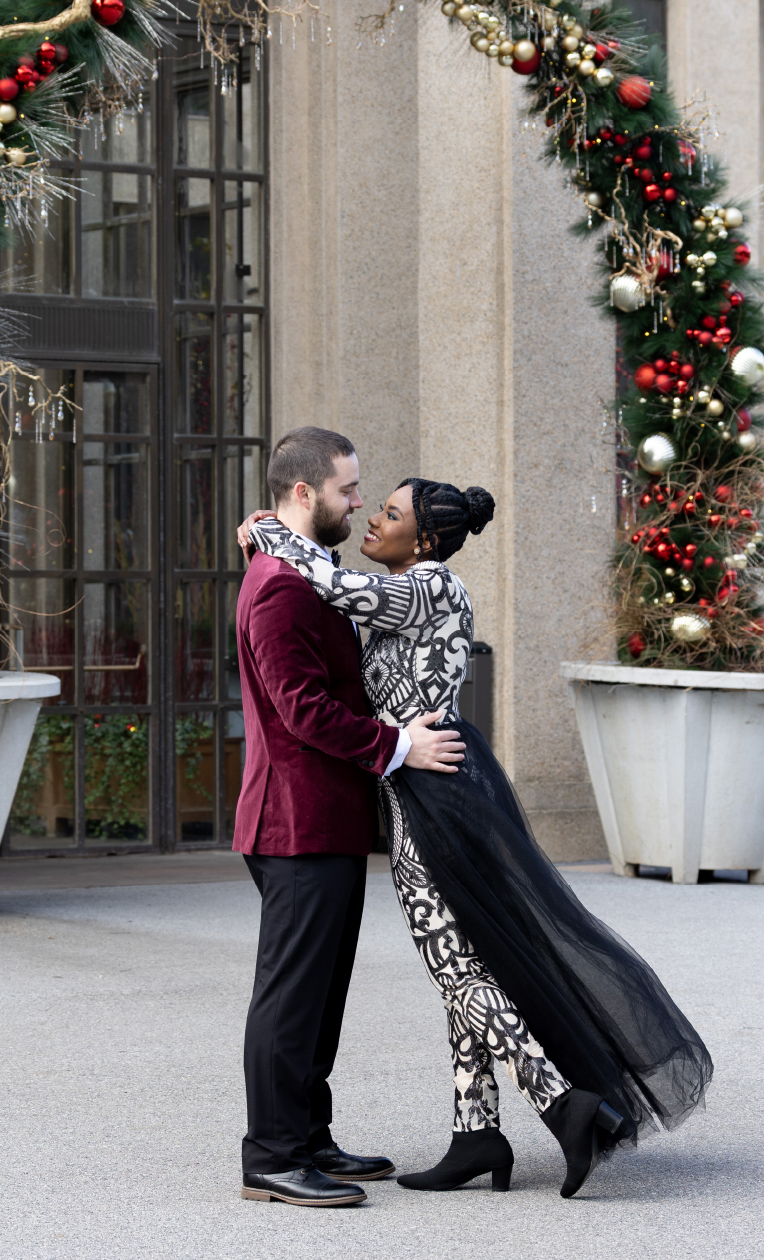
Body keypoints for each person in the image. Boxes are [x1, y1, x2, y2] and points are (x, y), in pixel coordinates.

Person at [239, 476, 713, 1198]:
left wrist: (268, 530)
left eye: (390, 513)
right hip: (423, 790)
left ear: (424, 539)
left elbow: (340, 589)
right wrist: (273, 534)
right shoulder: (408, 580)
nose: (372, 517)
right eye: (368, 501)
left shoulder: (429, 587)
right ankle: (476, 1132)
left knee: (456, 970)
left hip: (434, 796)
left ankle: (562, 1102)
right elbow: (337, 585)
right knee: (462, 961)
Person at [234, 428, 467, 1209]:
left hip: (325, 818)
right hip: (293, 821)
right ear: (303, 494)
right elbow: (302, 709)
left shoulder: (303, 570)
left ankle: (307, 1138)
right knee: (291, 994)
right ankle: (271, 1155)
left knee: (322, 993)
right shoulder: (281, 586)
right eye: (348, 489)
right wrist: (399, 745)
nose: (359, 502)